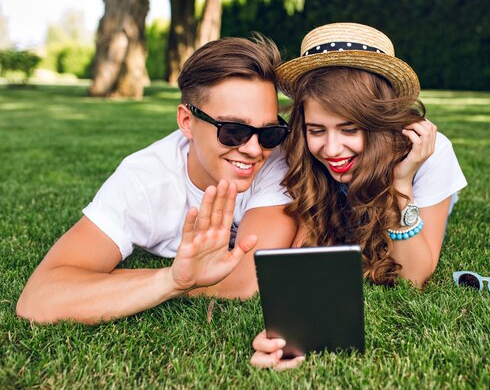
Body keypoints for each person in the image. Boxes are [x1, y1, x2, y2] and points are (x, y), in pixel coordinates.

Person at [16, 36, 297, 324]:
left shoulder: (276, 158)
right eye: (233, 131)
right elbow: (40, 296)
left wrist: (108, 283)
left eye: (269, 132)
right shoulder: (145, 179)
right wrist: (171, 280)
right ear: (187, 122)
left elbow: (248, 279)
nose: (253, 149)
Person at [250, 22, 467, 369]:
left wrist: (401, 182)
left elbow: (413, 278)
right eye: (317, 130)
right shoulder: (300, 153)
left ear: (380, 121)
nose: (332, 149)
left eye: (350, 129)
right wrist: (287, 334)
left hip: (417, 200)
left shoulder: (431, 152)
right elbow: (306, 258)